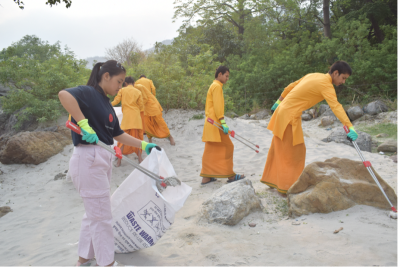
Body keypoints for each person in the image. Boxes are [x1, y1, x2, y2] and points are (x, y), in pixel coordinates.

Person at [58, 60, 160, 267]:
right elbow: (64, 95)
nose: (120, 87)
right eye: (119, 82)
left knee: (94, 213)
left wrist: (144, 145)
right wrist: (84, 124)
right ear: (106, 76)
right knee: (102, 217)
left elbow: (118, 134)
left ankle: (85, 259)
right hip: (88, 158)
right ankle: (107, 263)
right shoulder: (87, 92)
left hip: (102, 159)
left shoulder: (106, 103)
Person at [260, 60, 358, 195]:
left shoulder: (314, 75)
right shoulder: (326, 85)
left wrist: (279, 101)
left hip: (283, 112)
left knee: (279, 147)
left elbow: (290, 86)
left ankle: (272, 180)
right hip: (289, 115)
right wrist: (350, 126)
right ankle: (286, 187)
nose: (343, 82)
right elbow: (336, 106)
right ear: (336, 73)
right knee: (294, 152)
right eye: (343, 78)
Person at [200, 66, 245, 185]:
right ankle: (230, 176)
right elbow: (218, 106)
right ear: (220, 74)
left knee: (210, 150)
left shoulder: (213, 85)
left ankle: (207, 177)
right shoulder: (217, 87)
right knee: (228, 147)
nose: (227, 79)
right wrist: (222, 121)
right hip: (215, 123)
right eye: (226, 76)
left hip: (210, 122)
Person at [111, 76, 145, 166]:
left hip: (126, 119)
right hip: (136, 118)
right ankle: (140, 159)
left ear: (125, 83)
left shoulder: (122, 90)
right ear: (133, 83)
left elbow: (116, 100)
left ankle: (119, 162)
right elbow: (141, 106)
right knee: (137, 138)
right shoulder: (138, 92)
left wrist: (108, 104)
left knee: (122, 140)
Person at [133, 81, 175, 145]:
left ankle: (170, 137)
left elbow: (145, 99)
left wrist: (137, 106)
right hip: (145, 108)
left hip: (152, 106)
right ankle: (150, 141)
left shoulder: (139, 86)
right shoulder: (132, 89)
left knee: (160, 122)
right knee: (147, 124)